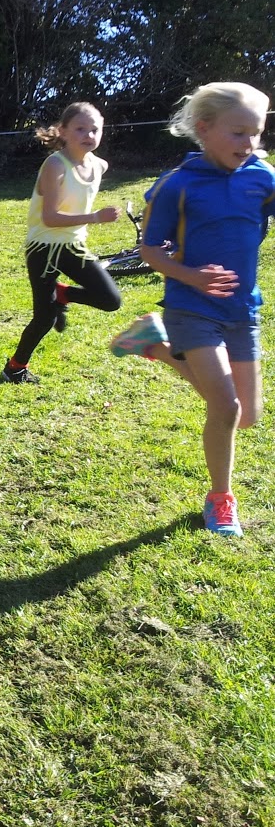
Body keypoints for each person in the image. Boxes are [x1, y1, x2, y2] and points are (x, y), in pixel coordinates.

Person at [108, 82, 275, 537]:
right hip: (191, 306)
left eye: (256, 133)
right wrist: (194, 276)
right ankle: (221, 499)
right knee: (225, 408)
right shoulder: (176, 185)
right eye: (238, 133)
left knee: (247, 415)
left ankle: (155, 345)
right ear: (204, 129)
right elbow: (149, 250)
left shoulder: (263, 177)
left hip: (243, 310)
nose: (249, 144)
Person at [2, 102, 123, 384]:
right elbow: (50, 218)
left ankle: (62, 294)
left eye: (95, 129)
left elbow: (92, 176)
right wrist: (95, 216)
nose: (89, 135)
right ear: (63, 131)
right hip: (44, 248)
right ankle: (15, 368)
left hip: (73, 246)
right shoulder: (55, 164)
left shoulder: (98, 165)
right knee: (43, 319)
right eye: (80, 129)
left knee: (111, 300)